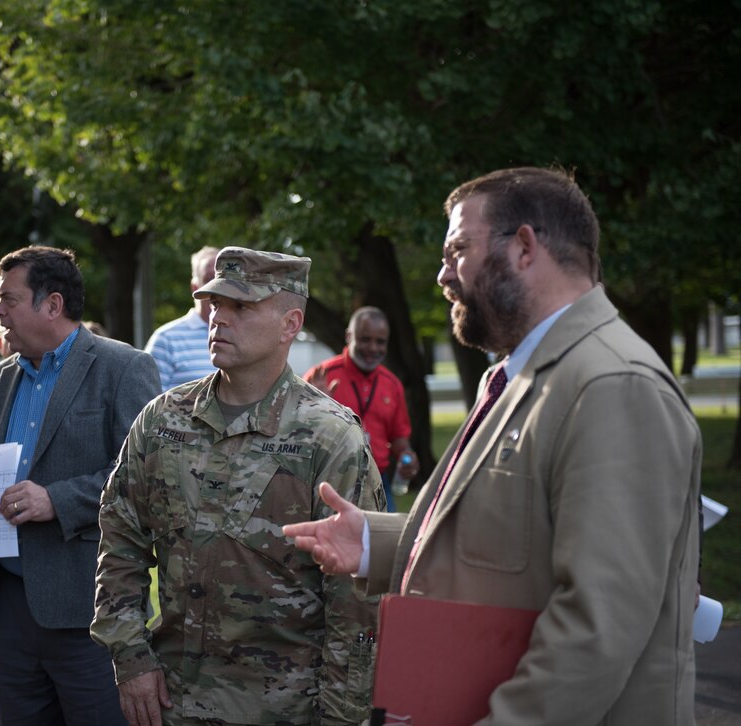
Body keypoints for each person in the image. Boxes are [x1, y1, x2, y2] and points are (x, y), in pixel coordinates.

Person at [283, 168, 702, 725]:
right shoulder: (518, 376)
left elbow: (597, 627)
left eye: (457, 250)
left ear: (525, 247)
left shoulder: (612, 386)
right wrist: (372, 541)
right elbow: (513, 538)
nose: (442, 275)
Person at [92, 247, 384, 726]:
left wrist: (341, 716)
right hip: (173, 701)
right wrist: (131, 658)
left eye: (241, 307)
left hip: (285, 708)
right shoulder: (163, 420)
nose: (218, 317)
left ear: (291, 324)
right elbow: (120, 538)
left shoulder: (328, 437)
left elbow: (355, 601)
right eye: (216, 304)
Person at [0, 245, 160, 725]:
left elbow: (143, 472)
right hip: (6, 608)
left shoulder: (122, 367)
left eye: (8, 298)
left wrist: (58, 499)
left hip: (87, 607)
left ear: (52, 305)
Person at [304, 306, 418, 512]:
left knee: (381, 542)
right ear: (349, 336)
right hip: (330, 481)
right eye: (365, 339)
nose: (373, 348)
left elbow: (399, 436)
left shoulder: (392, 384)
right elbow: (297, 434)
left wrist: (406, 455)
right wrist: (318, 408)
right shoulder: (321, 376)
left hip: (378, 483)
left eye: (380, 341)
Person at [144, 245, 219, 392]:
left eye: (222, 279)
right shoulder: (166, 340)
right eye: (209, 279)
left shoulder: (242, 334)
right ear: (195, 288)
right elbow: (148, 400)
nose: (217, 287)